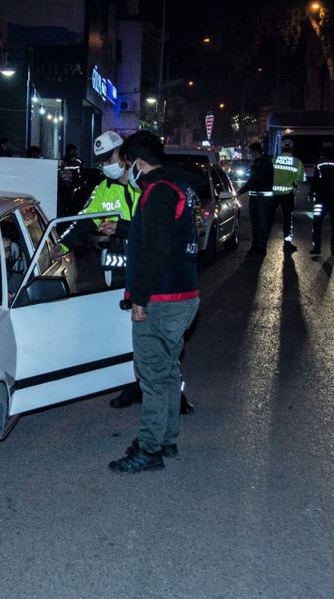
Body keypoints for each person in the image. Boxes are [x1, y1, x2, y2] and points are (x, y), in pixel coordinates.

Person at [108, 130, 201, 474]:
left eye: (126, 164)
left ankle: (149, 449)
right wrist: (120, 229)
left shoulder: (158, 193)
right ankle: (165, 439)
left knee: (151, 375)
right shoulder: (169, 189)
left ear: (139, 163)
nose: (124, 171)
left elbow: (156, 250)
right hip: (180, 295)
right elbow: (154, 234)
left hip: (163, 299)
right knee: (167, 372)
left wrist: (139, 299)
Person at [237, 142, 275, 256]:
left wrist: (252, 168)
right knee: (254, 223)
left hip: (263, 198)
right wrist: (240, 192)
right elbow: (251, 182)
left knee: (263, 223)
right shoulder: (257, 163)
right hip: (254, 197)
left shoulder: (265, 163)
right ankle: (255, 246)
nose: (250, 154)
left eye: (250, 152)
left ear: (256, 151)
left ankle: (262, 247)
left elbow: (258, 177)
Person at [271, 139, 304, 252]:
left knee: (269, 218)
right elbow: (301, 178)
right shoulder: (297, 162)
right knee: (287, 219)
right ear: (292, 149)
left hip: (273, 194)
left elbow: (269, 175)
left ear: (282, 148)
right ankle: (287, 243)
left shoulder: (274, 160)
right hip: (287, 194)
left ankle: (262, 242)